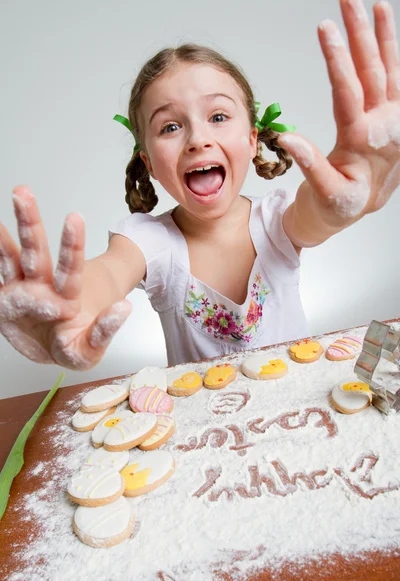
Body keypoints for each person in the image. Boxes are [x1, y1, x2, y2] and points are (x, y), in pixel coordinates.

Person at [0, 0, 399, 370]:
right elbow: (109, 272)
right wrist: (72, 307)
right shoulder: (153, 242)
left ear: (251, 138)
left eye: (219, 116)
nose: (197, 139)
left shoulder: (276, 221)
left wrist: (338, 206)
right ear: (149, 163)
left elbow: (313, 214)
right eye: (170, 126)